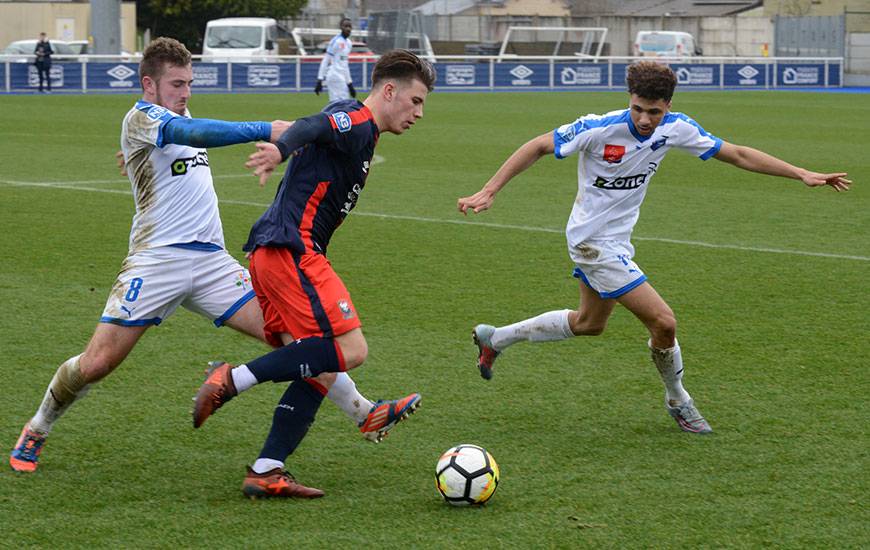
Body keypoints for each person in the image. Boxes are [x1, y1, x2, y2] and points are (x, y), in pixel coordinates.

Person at [9, 37, 415, 475]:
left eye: (189, 83)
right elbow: (188, 133)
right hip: (157, 259)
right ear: (149, 84)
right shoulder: (142, 116)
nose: (185, 93)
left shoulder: (176, 116)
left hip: (211, 264)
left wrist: (135, 155)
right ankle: (38, 426)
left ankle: (362, 410)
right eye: (176, 84)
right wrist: (266, 129)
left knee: (297, 341)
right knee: (98, 363)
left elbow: (181, 137)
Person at [457, 61, 851, 435]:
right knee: (664, 322)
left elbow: (737, 153)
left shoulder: (676, 129)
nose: (645, 120)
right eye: (638, 109)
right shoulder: (598, 128)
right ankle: (679, 400)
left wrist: (800, 173)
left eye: (655, 112)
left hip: (618, 243)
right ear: (629, 98)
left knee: (589, 324)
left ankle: (496, 338)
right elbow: (539, 145)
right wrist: (490, 190)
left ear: (669, 108)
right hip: (592, 243)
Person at [192, 49, 436, 499]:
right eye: (416, 100)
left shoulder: (358, 124)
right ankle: (231, 379)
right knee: (350, 349)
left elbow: (316, 129)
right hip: (293, 250)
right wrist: (280, 149)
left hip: (273, 252)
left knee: (317, 363)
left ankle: (267, 469)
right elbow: (314, 126)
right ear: (389, 90)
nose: (419, 112)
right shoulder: (358, 120)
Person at [314, 18, 356, 102]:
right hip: (334, 75)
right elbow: (326, 60)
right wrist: (320, 79)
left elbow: (345, 65)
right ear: (341, 27)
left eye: (349, 26)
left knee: (339, 105)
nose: (348, 28)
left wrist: (349, 83)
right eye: (346, 26)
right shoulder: (336, 41)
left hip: (342, 77)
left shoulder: (348, 43)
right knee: (340, 104)